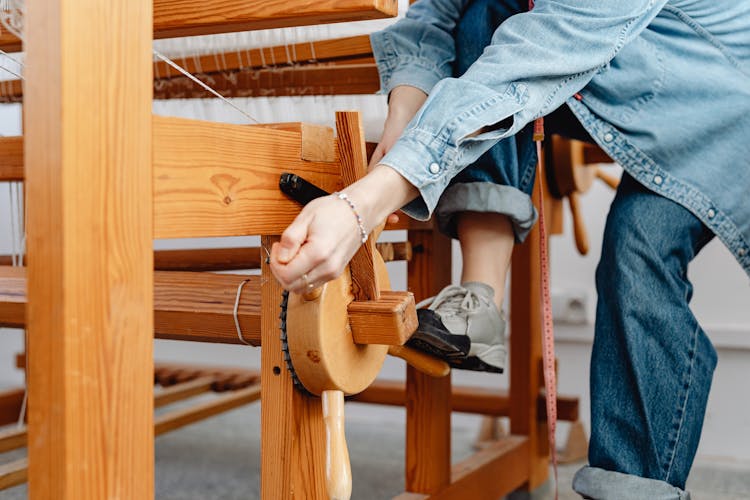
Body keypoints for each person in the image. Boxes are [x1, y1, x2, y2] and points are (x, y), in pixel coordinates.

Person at [270, 0, 750, 498]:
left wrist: (363, 204)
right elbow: (433, 16)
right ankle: (479, 297)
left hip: (720, 104)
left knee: (638, 250)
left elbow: (524, 65)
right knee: (480, 11)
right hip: (631, 81)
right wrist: (404, 114)